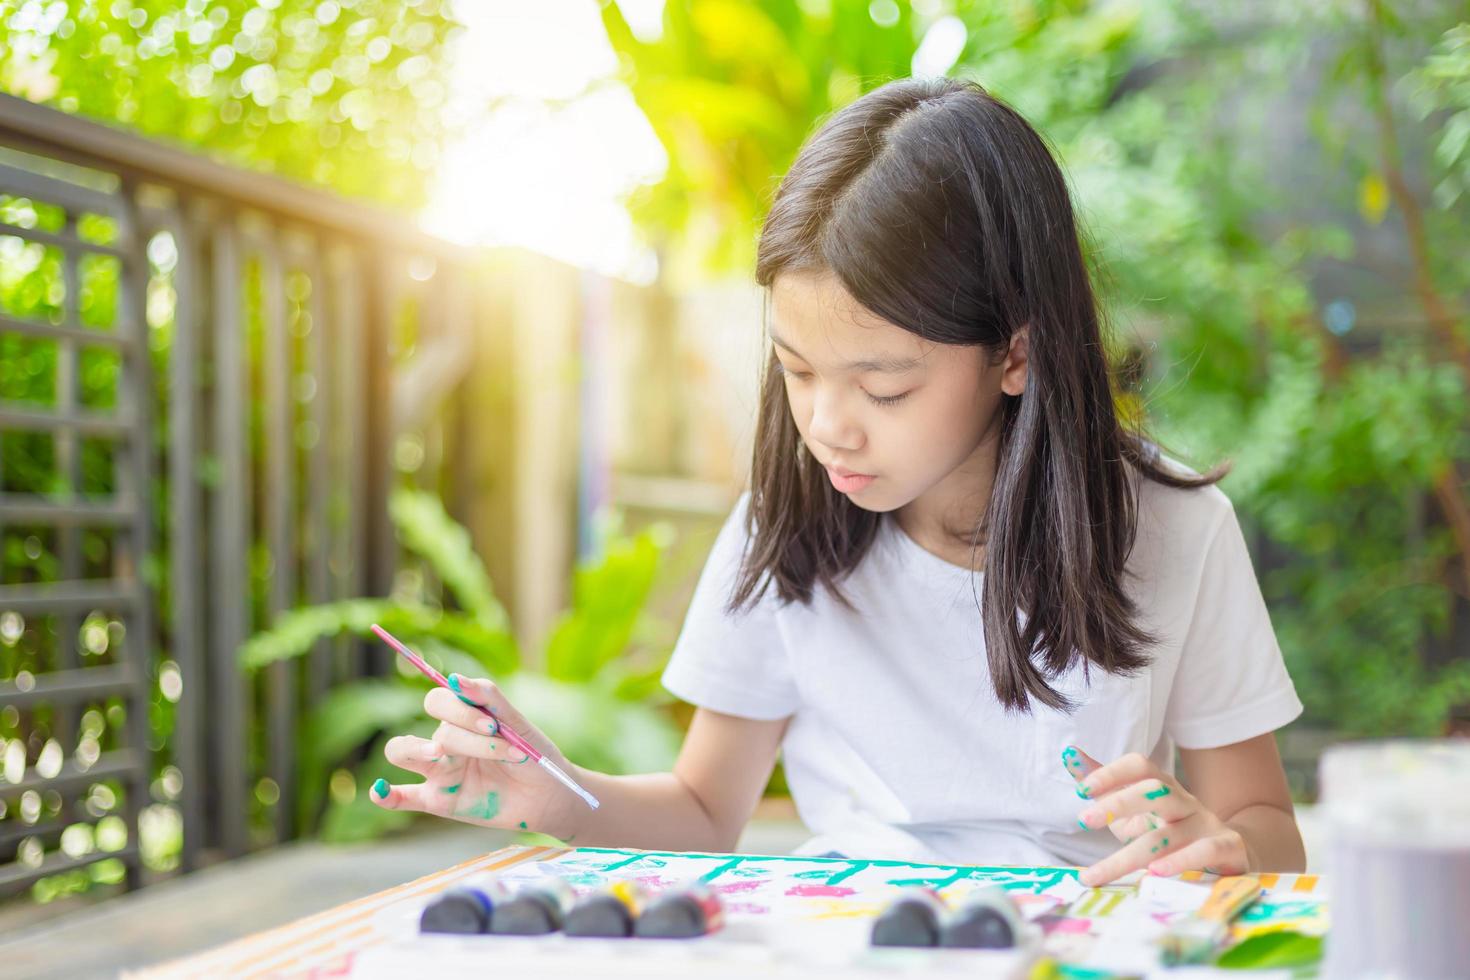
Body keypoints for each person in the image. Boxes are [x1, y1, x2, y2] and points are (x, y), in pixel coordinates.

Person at [370, 76, 1307, 886]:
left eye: (884, 386)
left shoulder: (1177, 528)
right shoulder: (784, 524)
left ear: (1015, 351)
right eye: (798, 369)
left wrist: (1215, 846)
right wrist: (560, 794)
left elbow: (1266, 831)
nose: (825, 426)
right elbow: (703, 811)